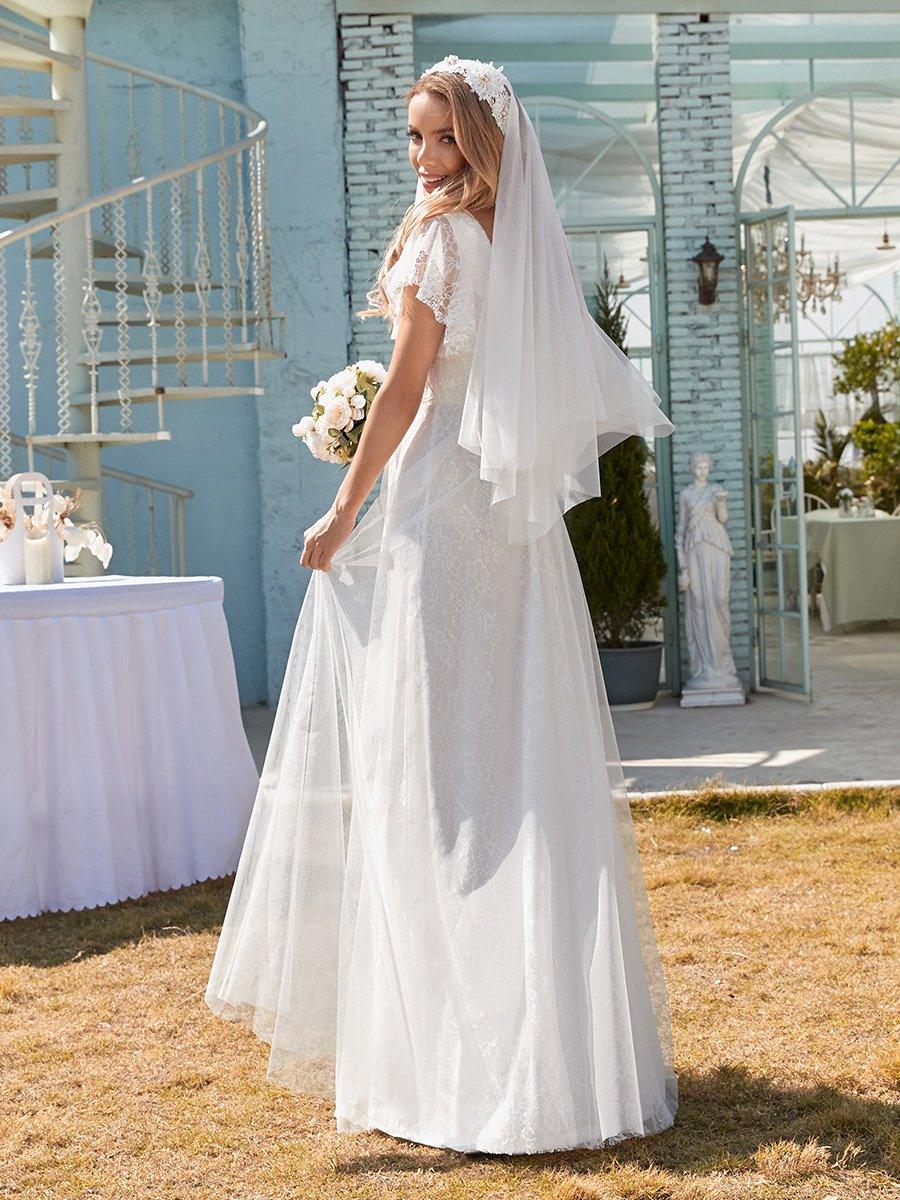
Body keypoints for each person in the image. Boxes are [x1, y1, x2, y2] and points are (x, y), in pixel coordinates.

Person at [206, 55, 678, 1156]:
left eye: (441, 140)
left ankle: (456, 1064)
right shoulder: (510, 244)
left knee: (436, 774)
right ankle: (536, 1057)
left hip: (436, 512)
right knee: (510, 763)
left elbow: (412, 386)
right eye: (415, 138)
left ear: (479, 143)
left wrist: (340, 506)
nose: (422, 158)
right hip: (506, 528)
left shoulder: (437, 239)